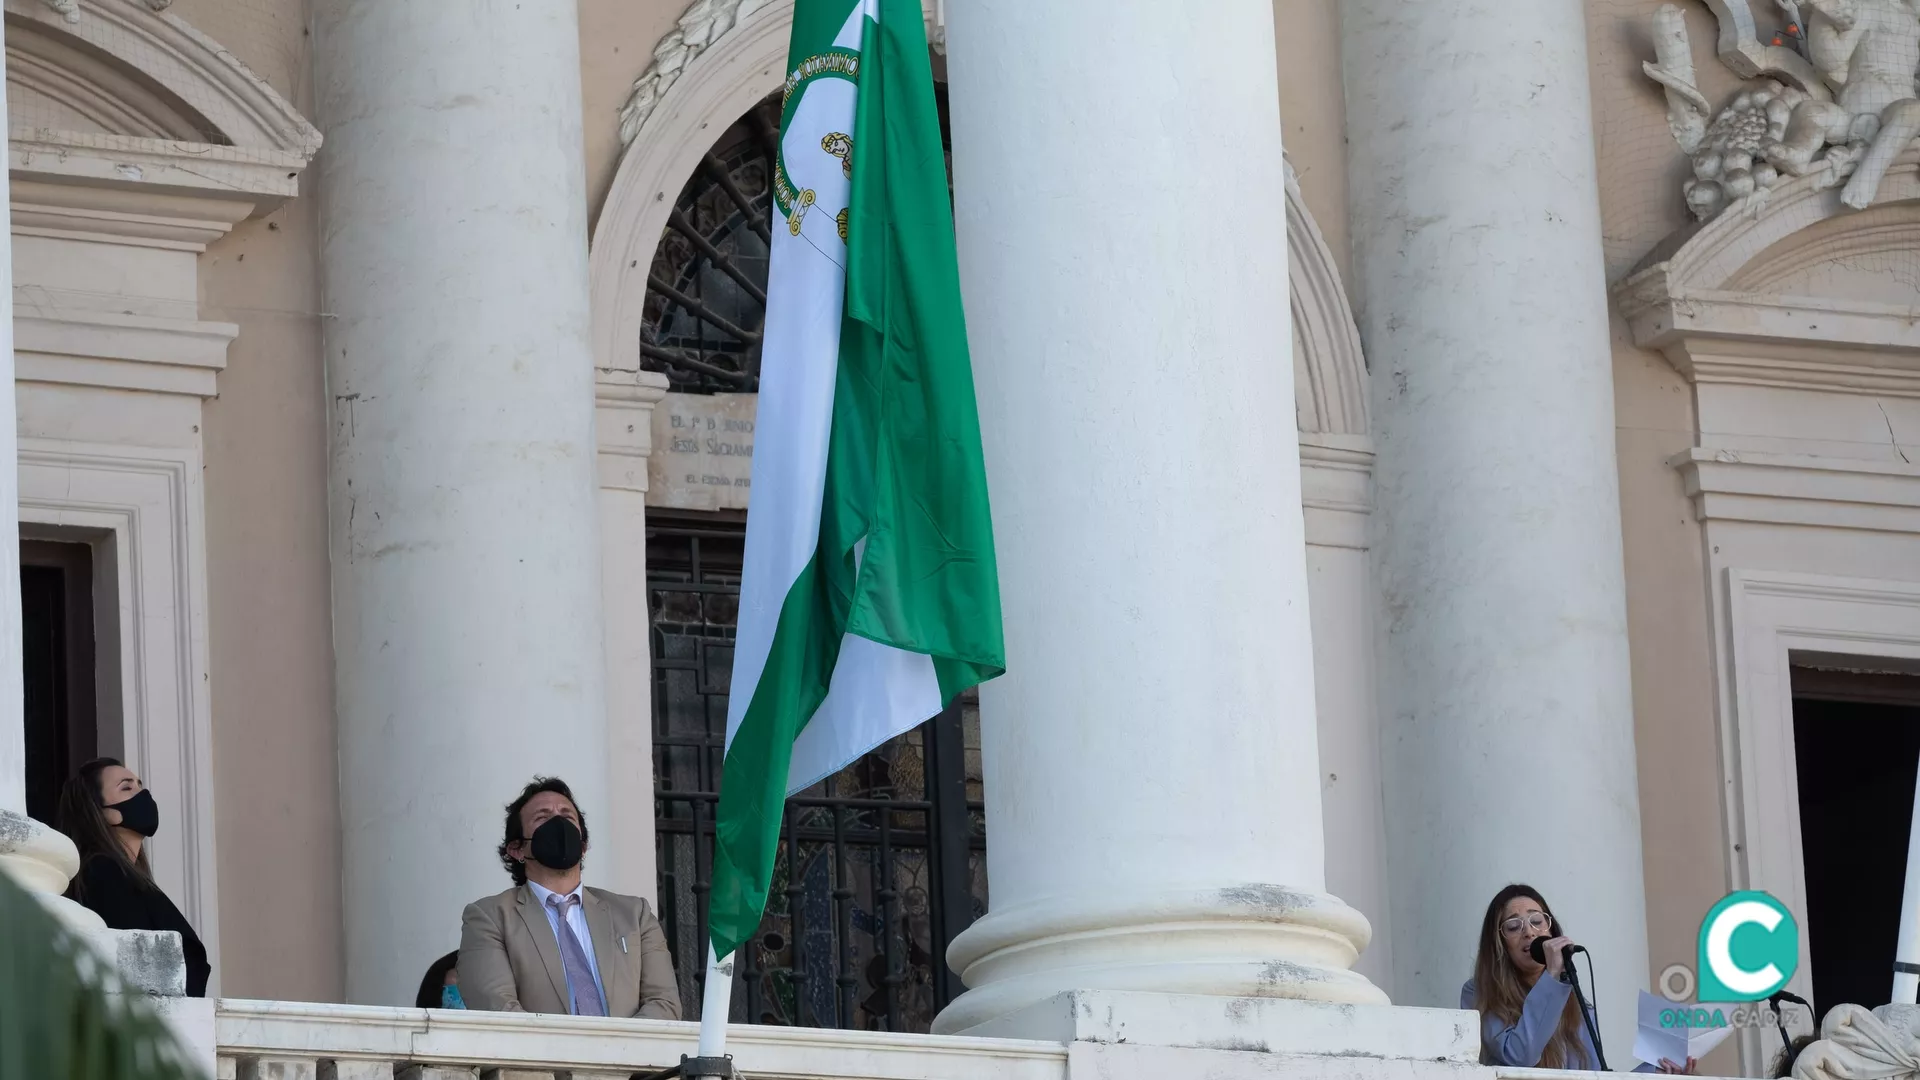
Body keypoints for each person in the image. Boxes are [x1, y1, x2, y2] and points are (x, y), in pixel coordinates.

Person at [458, 777, 680, 1018]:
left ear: (583, 845)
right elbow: (498, 1010)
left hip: (628, 1055)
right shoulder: (490, 917)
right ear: (517, 849)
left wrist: (616, 1050)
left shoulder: (635, 914)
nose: (558, 823)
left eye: (567, 816)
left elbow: (664, 1003)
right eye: (542, 817)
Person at [1463, 883, 1694, 1073]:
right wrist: (1552, 978)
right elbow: (1520, 1055)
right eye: (1513, 926)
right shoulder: (1479, 992)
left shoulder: (1569, 994)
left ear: (1551, 931)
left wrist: (1657, 1072)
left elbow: (1594, 1074)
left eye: (1536, 921)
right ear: (1499, 943)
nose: (1529, 932)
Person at [54, 757, 211, 997]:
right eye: (127, 787)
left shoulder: (122, 875)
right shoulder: (101, 874)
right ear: (103, 813)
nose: (143, 794)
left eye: (140, 784)